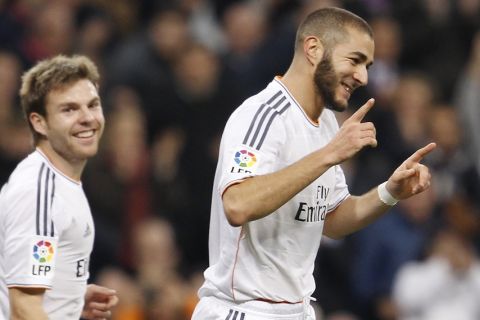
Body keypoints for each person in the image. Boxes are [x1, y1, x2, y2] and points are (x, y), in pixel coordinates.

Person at [191, 7, 436, 320]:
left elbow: (332, 220)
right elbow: (238, 204)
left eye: (368, 66)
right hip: (243, 310)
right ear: (313, 48)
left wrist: (390, 192)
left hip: (298, 310)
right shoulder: (262, 115)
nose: (363, 77)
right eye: (355, 60)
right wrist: (328, 155)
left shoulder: (326, 125)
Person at [0, 55, 118, 319]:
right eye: (69, 109)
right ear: (39, 122)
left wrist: (71, 297)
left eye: (92, 105)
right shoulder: (39, 191)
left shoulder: (60, 181)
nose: (87, 118)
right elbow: (24, 309)